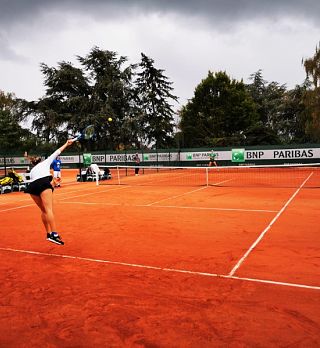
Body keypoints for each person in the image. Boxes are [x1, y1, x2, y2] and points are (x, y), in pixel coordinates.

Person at [24, 139, 74, 245]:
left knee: (44, 211)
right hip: (42, 183)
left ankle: (48, 234)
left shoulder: (32, 170)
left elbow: (40, 184)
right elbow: (57, 151)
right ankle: (54, 234)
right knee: (49, 209)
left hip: (32, 187)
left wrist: (54, 183)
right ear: (40, 160)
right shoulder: (45, 162)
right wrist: (66, 143)